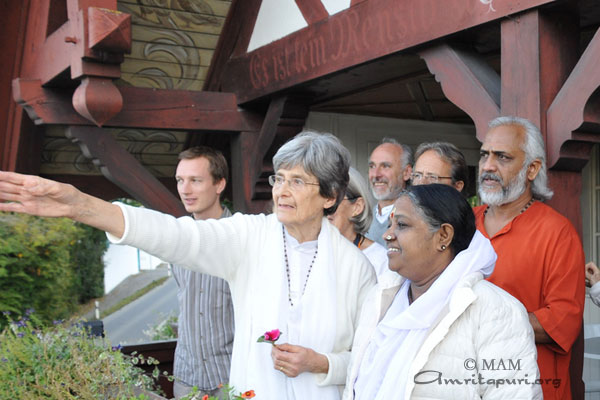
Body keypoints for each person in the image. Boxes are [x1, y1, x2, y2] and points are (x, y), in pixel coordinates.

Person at [0, 131, 376, 400]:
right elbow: (177, 236)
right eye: (279, 178)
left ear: (330, 196)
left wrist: (322, 363)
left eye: (297, 181)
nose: (281, 191)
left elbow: (368, 361)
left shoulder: (357, 270)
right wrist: (82, 206)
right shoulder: (251, 236)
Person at [343, 184, 541, 399]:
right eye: (390, 224)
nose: (387, 235)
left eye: (401, 225)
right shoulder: (381, 298)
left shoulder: (495, 311)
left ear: (443, 236)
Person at [474, 116, 585, 399]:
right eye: (485, 154)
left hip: (532, 386)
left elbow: (562, 322)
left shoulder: (557, 232)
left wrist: (479, 322)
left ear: (532, 169)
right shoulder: (463, 224)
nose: (488, 166)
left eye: (502, 157)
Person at [171, 147, 234, 399]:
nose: (185, 190)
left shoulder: (241, 237)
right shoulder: (177, 239)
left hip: (231, 377)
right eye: (180, 180)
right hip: (187, 379)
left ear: (219, 184)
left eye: (195, 180)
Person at [327, 167, 389, 280]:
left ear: (357, 207)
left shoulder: (379, 261)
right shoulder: (307, 251)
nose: (324, 207)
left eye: (332, 200)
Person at [367, 138, 412, 245]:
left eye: (385, 166)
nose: (376, 174)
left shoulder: (415, 219)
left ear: (406, 172)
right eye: (372, 166)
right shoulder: (361, 219)